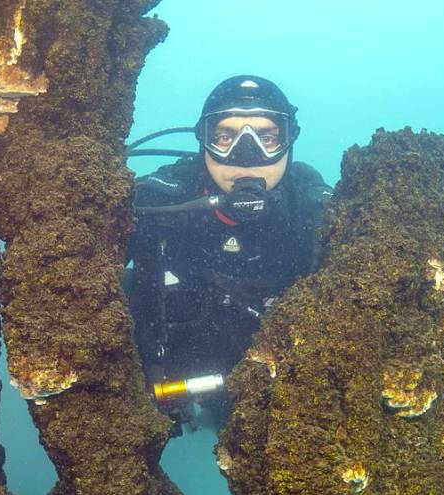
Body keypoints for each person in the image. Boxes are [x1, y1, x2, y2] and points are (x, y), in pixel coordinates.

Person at [124, 75, 333, 430]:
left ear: (290, 141)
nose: (246, 154)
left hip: (276, 392)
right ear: (203, 141)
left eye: (267, 137)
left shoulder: (317, 215)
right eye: (225, 136)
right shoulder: (159, 202)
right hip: (170, 380)